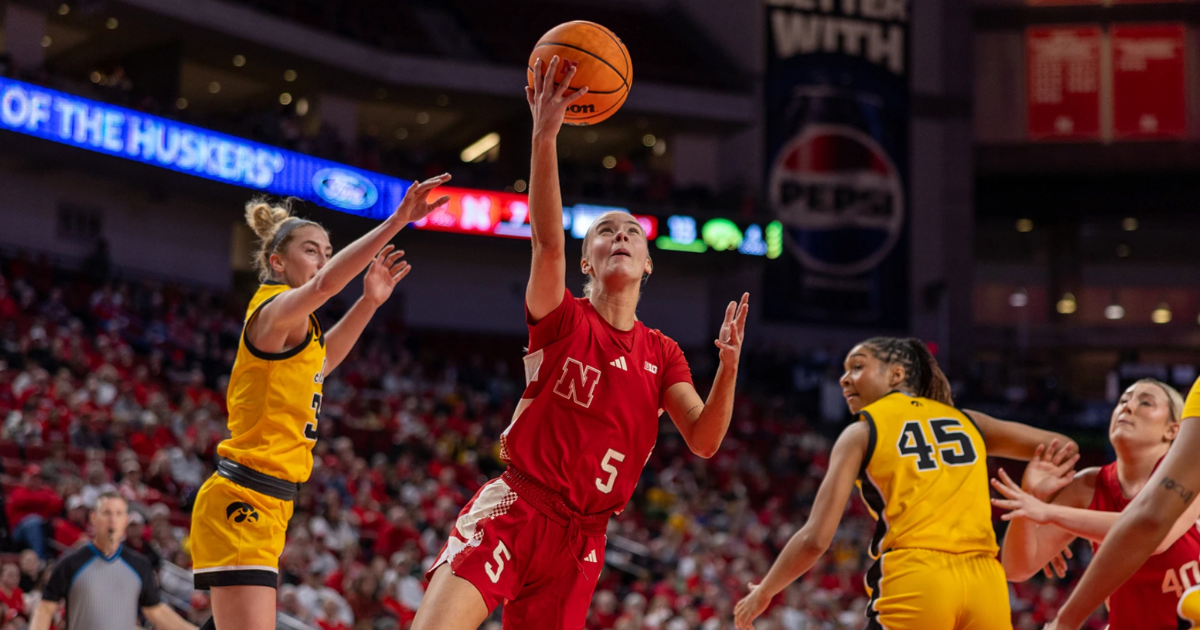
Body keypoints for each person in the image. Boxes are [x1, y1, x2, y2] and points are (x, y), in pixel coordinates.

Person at [411, 55, 750, 630]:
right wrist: (545, 136)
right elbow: (546, 243)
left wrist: (729, 367)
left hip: (583, 543)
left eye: (632, 233)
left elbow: (705, 439)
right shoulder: (563, 317)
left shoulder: (663, 353)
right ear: (587, 262)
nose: (619, 235)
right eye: (604, 232)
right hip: (517, 508)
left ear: (648, 266)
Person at [189, 180, 450, 630]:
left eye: (327, 251)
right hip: (243, 499)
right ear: (277, 261)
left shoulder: (301, 328)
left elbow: (323, 360)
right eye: (312, 250)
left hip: (272, 504)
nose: (323, 260)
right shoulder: (269, 313)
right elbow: (328, 285)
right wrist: (396, 222)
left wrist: (369, 302)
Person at [734, 337, 1077, 630]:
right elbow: (1064, 448)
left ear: (896, 374)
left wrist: (765, 590)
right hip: (986, 583)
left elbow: (815, 539)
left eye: (857, 367)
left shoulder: (862, 432)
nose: (843, 379)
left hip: (917, 578)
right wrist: (1046, 520)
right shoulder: (967, 421)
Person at [991, 379, 1200, 629]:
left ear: (1173, 430)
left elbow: (1153, 533)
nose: (1128, 407)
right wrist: (1030, 498)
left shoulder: (1191, 475)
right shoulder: (1088, 485)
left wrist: (1049, 513)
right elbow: (1017, 568)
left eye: (1145, 402)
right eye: (1123, 400)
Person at [29, 492, 195, 630]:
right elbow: (45, 609)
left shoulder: (140, 564)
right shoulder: (70, 563)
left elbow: (155, 611)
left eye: (118, 514)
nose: (112, 520)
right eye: (106, 513)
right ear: (93, 518)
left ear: (125, 520)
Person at [5, 465, 63, 559]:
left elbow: (58, 503)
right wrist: (42, 501)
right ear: (25, 478)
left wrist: (33, 501)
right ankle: (40, 560)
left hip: (43, 527)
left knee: (59, 524)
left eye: (38, 478)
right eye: (32, 478)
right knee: (33, 520)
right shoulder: (18, 490)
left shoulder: (46, 491)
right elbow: (19, 501)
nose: (35, 481)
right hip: (19, 531)